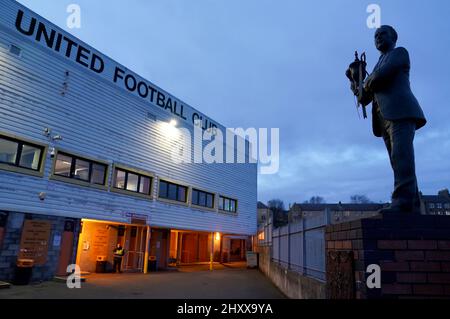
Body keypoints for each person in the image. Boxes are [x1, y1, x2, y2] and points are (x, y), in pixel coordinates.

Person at [349, 25, 427, 214]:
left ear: (393, 37)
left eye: (382, 34)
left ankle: (401, 202)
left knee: (402, 157)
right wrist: (354, 79)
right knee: (397, 160)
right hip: (384, 118)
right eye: (375, 35)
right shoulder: (378, 62)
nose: (378, 37)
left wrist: (365, 81)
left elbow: (378, 78)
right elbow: (363, 98)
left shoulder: (399, 53)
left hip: (401, 112)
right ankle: (412, 206)